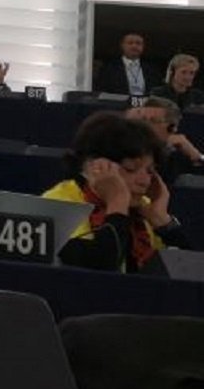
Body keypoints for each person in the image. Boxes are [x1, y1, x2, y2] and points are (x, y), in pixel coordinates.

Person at [43, 112, 187, 273]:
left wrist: (162, 220)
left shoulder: (143, 208)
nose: (144, 181)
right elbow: (100, 275)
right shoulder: (60, 203)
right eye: (130, 169)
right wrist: (117, 203)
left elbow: (190, 273)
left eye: (149, 171)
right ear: (95, 167)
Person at [126, 98, 204, 185]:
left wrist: (197, 156)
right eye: (143, 120)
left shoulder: (178, 153)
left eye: (153, 121)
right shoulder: (124, 149)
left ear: (171, 127)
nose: (145, 126)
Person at [93, 32, 161, 97]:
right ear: (122, 45)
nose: (134, 46)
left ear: (143, 46)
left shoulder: (152, 70)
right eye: (130, 43)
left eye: (138, 43)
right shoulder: (110, 68)